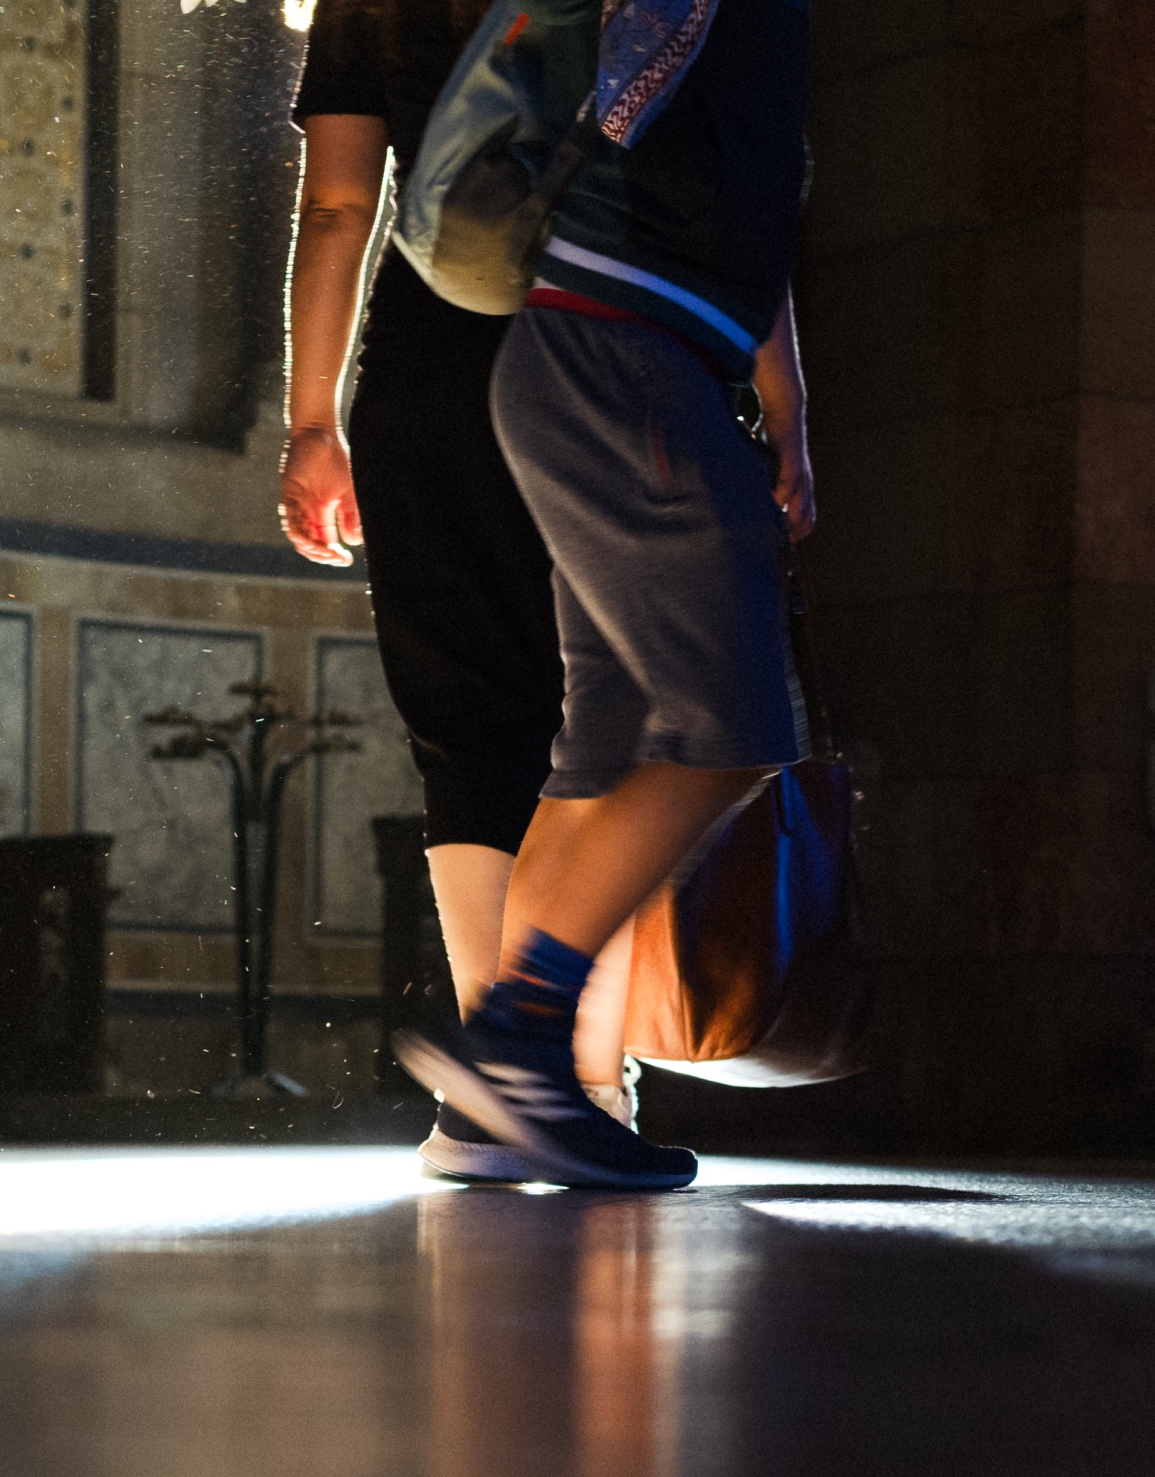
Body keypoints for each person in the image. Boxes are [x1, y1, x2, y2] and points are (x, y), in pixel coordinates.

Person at [398, 0, 819, 1190]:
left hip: (601, 350)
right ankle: (518, 1041)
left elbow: (750, 197)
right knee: (731, 725)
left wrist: (784, 399)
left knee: (610, 745)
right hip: (624, 353)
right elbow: (635, 106)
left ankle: (503, 1108)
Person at [280, 0, 636, 1184]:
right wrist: (775, 398)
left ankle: (492, 1100)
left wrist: (311, 423)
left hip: (433, 372)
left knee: (468, 718)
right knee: (609, 723)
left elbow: (338, 204)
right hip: (604, 352)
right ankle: (591, 1078)